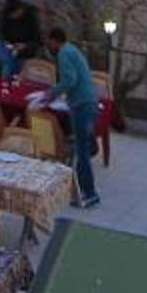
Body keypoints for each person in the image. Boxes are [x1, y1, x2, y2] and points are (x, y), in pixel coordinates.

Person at [51, 35, 103, 209]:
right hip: (89, 102)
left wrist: (52, 92)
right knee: (84, 148)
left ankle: (89, 193)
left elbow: (70, 80)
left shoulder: (63, 54)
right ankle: (82, 190)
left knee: (81, 151)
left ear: (54, 40)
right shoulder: (73, 50)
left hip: (82, 106)